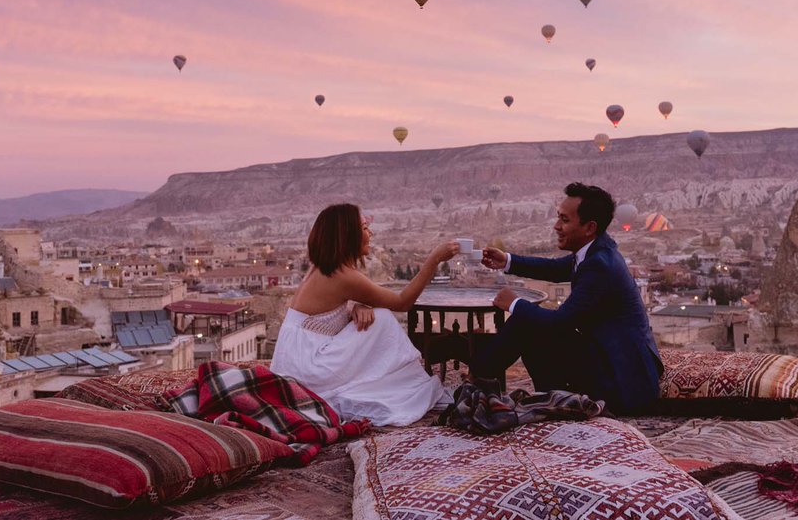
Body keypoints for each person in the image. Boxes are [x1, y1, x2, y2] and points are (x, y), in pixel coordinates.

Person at [470, 182, 663, 414]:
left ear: (589, 227)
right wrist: (507, 261)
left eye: (565, 220)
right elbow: (555, 268)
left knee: (526, 321)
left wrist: (513, 303)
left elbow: (560, 323)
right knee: (531, 321)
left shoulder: (599, 266)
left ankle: (476, 383)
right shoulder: (597, 251)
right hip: (613, 362)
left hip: (623, 382)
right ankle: (492, 383)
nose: (556, 226)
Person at [270, 203, 458, 426]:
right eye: (365, 227)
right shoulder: (343, 275)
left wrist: (356, 306)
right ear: (348, 235)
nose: (371, 233)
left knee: (375, 316)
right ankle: (401, 384)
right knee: (383, 319)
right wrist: (434, 259)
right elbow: (403, 302)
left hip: (295, 364)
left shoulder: (322, 268)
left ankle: (388, 381)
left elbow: (326, 310)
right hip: (308, 371)